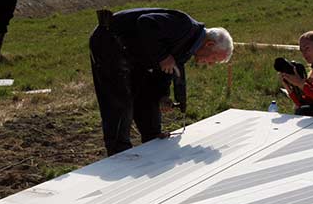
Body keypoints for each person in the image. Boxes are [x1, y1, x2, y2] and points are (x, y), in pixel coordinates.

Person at [90, 8, 233, 156]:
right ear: (209, 44)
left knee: (145, 93)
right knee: (120, 101)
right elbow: (145, 22)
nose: (210, 64)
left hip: (131, 53)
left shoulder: (187, 48)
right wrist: (163, 56)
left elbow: (164, 73)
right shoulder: (184, 26)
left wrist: (163, 95)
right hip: (109, 40)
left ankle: (152, 136)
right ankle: (119, 155)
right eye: (214, 59)